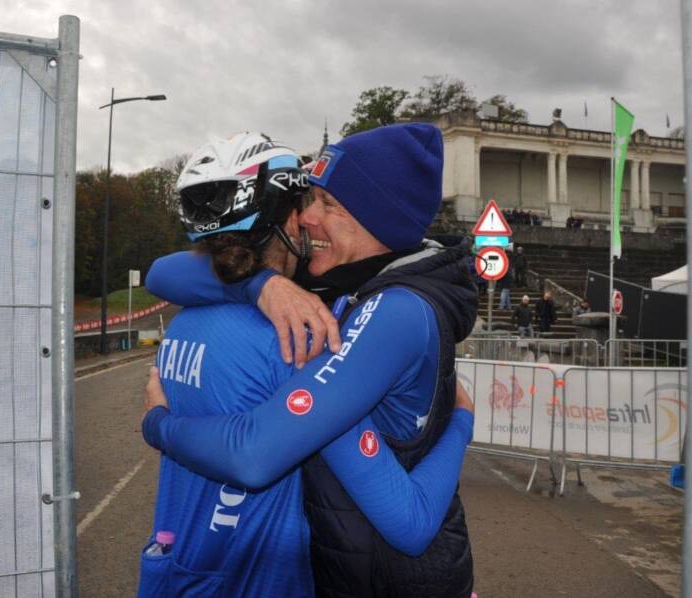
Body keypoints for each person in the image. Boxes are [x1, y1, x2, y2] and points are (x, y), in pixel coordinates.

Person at [144, 123, 478, 597]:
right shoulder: (322, 301)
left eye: (328, 204)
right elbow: (163, 272)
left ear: (377, 220)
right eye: (307, 201)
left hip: (393, 580)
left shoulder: (373, 313)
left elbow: (409, 521)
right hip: (331, 570)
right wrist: (261, 284)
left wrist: (156, 423)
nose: (307, 218)